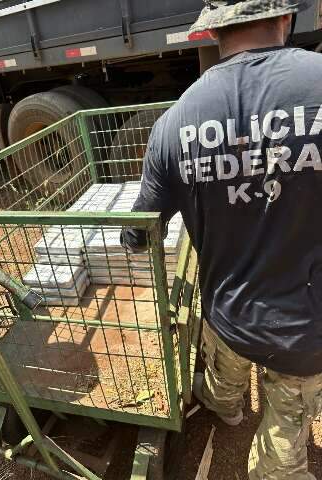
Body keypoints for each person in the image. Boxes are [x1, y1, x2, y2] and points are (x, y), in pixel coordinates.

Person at [121, 1, 322, 478]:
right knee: (288, 415)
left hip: (228, 310)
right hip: (307, 326)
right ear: (285, 18)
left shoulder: (175, 121)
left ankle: (225, 406)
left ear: (214, 33)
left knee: (224, 371)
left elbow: (140, 228)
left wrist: (132, 242)